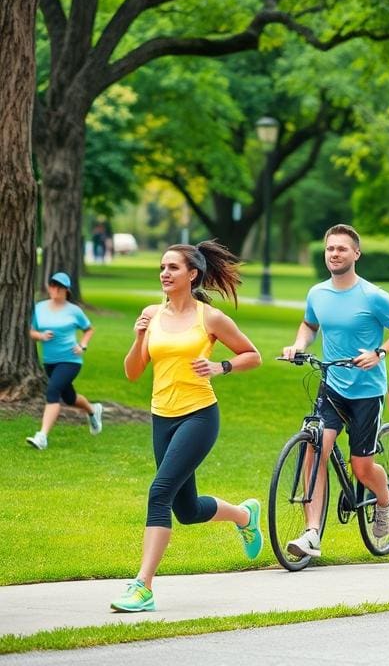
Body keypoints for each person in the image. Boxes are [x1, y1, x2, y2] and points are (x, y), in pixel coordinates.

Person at [112, 241, 263, 613]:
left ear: (192, 274)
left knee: (159, 491)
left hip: (199, 415)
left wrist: (221, 367)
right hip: (162, 417)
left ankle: (142, 587)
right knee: (187, 509)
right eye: (162, 267)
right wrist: (138, 337)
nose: (164, 273)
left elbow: (253, 355)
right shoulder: (151, 314)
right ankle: (245, 515)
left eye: (173, 268)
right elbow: (133, 373)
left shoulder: (208, 318)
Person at [280, 224, 389, 558]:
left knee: (361, 468)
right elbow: (310, 325)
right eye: (330, 249)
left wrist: (379, 353)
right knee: (314, 449)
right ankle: (311, 533)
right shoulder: (317, 294)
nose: (334, 254)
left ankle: (386, 499)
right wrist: (298, 345)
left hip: (367, 391)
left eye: (341, 249)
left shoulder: (373, 296)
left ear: (356, 254)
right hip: (332, 385)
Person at [26, 272, 103, 450]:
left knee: (52, 391)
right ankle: (93, 410)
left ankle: (42, 436)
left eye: (59, 287)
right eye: (52, 285)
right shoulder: (39, 307)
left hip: (70, 359)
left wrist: (82, 345)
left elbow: (89, 329)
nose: (55, 289)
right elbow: (31, 331)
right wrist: (41, 335)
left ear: (66, 290)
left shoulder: (74, 310)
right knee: (69, 398)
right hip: (49, 360)